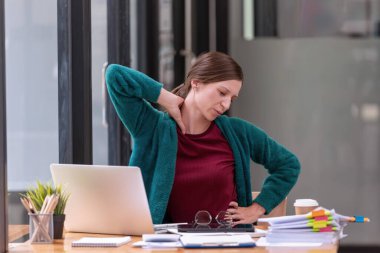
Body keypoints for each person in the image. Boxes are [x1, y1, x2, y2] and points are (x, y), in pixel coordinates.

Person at [105, 51, 300, 225]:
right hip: (168, 246)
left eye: (231, 99)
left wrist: (257, 209)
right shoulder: (152, 128)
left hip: (229, 245)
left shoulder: (239, 132)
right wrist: (165, 98)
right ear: (196, 82)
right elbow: (115, 75)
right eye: (222, 93)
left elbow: (288, 165)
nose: (225, 104)